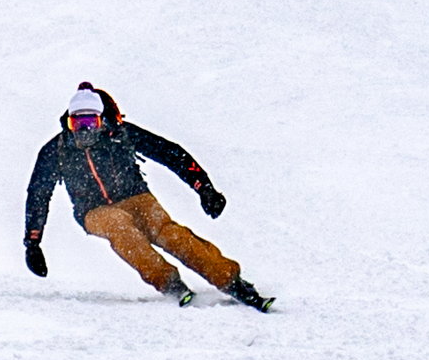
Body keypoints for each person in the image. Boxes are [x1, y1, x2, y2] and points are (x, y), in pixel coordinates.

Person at [23, 83, 274, 310]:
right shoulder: (56, 150)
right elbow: (38, 193)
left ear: (102, 121)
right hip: (93, 211)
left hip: (136, 199)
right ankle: (169, 283)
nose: (84, 130)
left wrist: (204, 188)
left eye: (91, 123)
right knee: (119, 225)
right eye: (77, 124)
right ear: (68, 123)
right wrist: (33, 242)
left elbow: (170, 153)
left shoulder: (120, 134)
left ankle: (231, 281)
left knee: (170, 233)